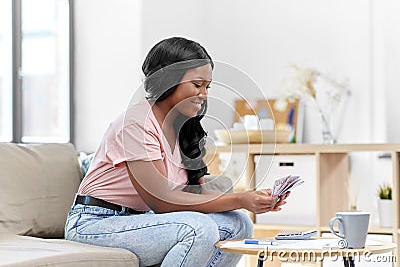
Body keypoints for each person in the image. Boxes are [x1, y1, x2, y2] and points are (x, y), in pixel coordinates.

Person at [65, 37, 289, 267]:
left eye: (207, 87)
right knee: (196, 229)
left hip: (143, 220)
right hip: (95, 223)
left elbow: (197, 195)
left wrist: (252, 198)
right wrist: (241, 199)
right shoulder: (136, 123)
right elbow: (162, 201)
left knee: (240, 223)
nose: (204, 94)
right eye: (197, 84)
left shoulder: (182, 127)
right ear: (167, 81)